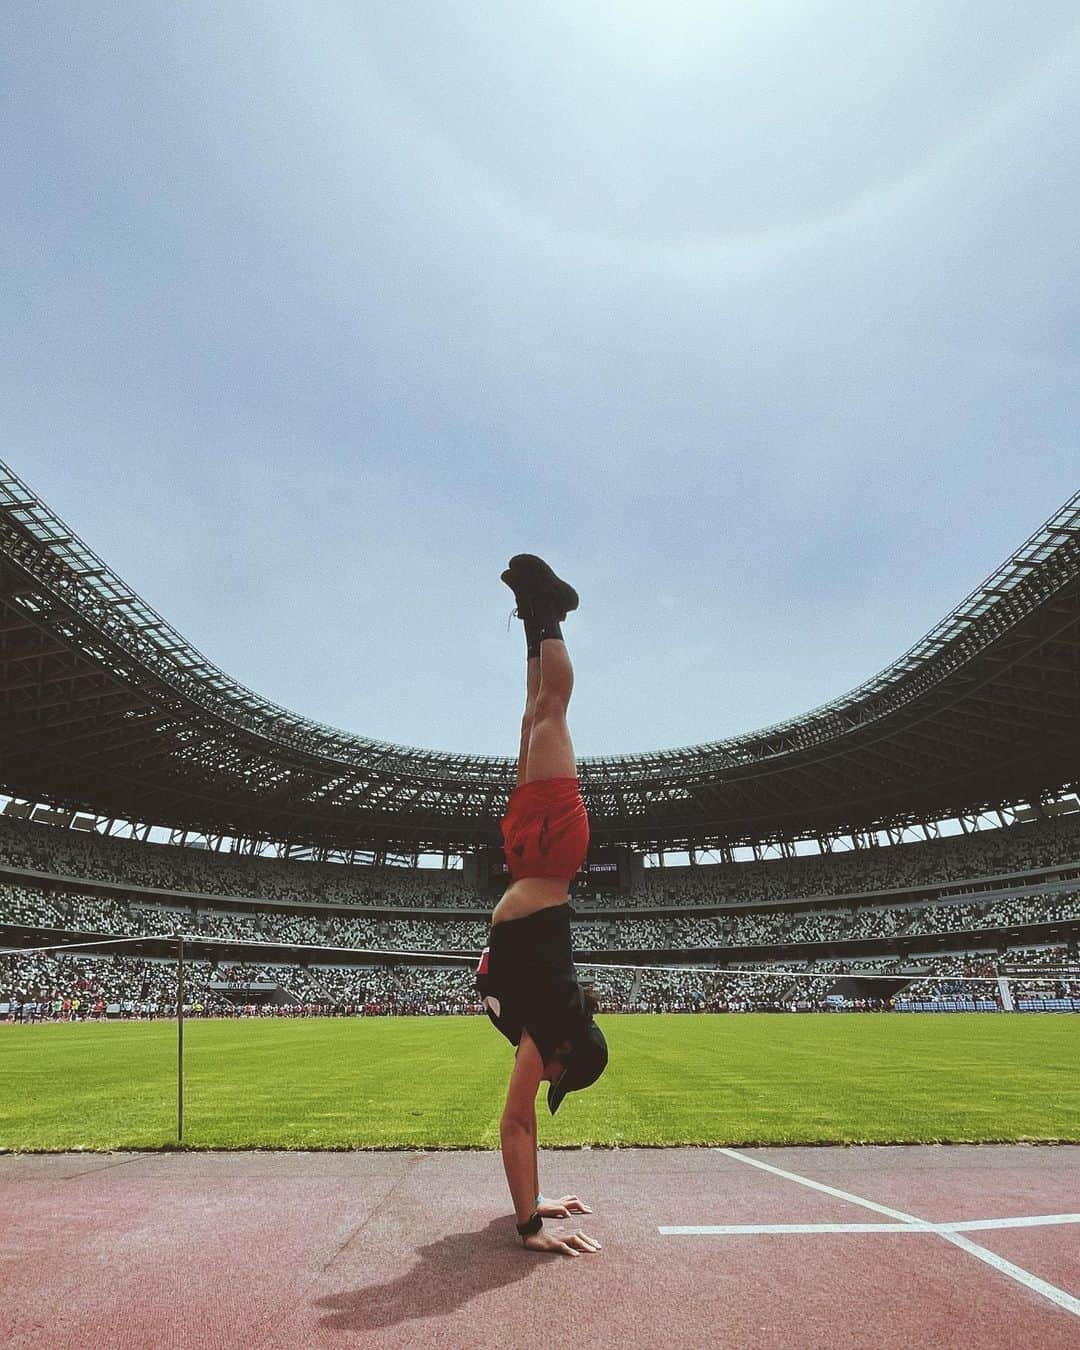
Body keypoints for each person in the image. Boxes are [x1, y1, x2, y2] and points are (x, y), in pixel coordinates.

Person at [476, 554, 608, 1257]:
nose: (546, 1082)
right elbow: (516, 1122)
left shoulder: (544, 1022)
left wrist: (538, 1199)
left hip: (527, 857)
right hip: (553, 850)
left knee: (530, 716)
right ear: (569, 1053)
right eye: (561, 1077)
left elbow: (525, 1120)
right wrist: (530, 1227)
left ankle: (533, 617)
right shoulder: (557, 1018)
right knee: (553, 709)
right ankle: (549, 607)